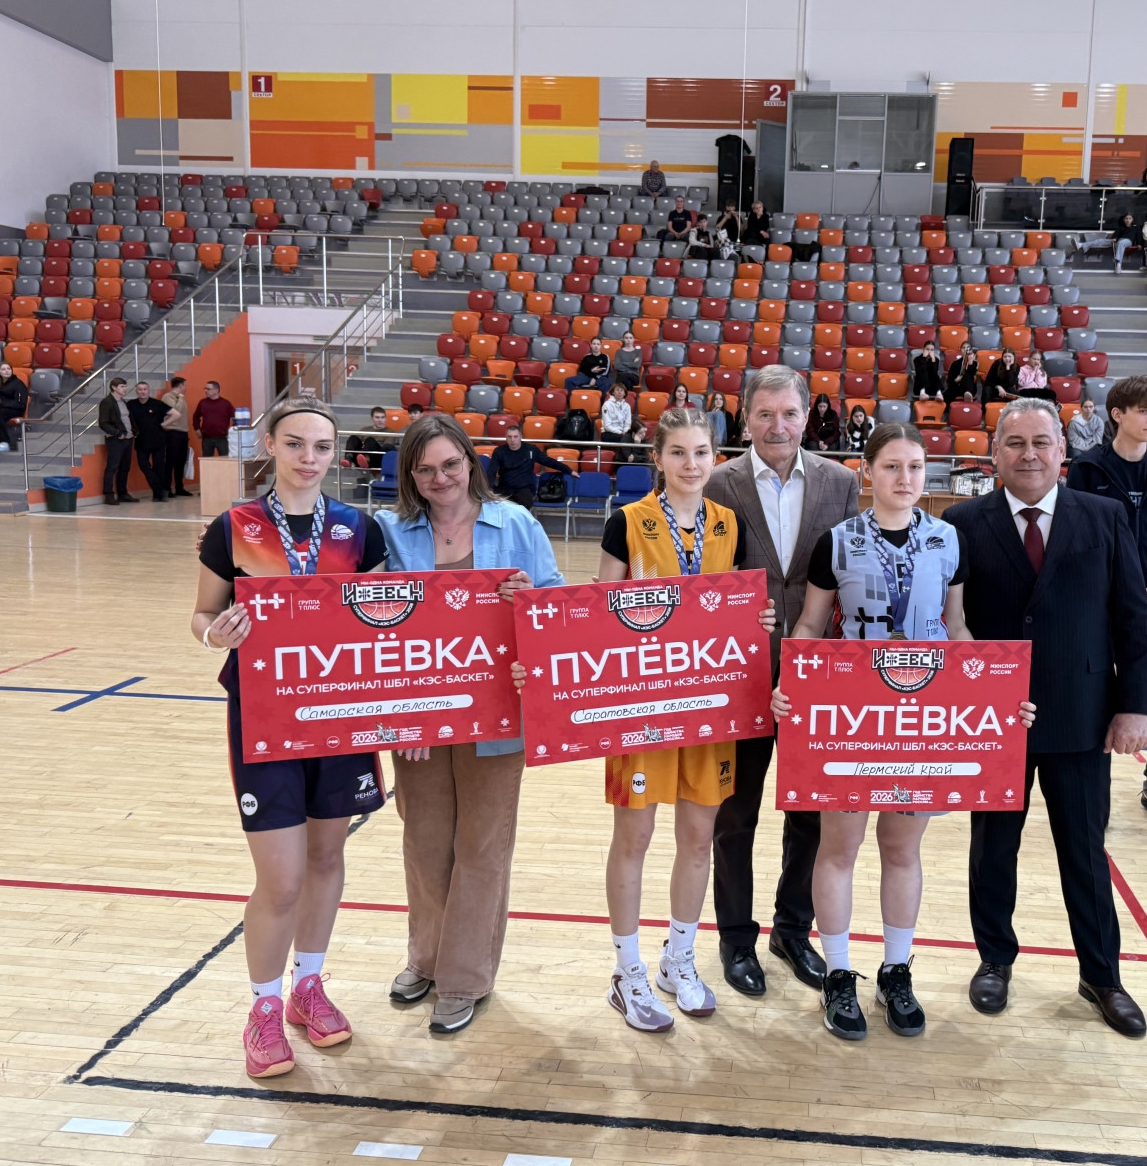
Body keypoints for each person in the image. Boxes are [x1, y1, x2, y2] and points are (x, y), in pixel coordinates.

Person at [770, 422, 1035, 1040]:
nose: (905, 478)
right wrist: (790, 680)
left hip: (919, 723)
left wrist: (996, 696)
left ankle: (896, 969)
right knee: (839, 849)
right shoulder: (836, 542)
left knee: (901, 849)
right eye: (891, 466)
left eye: (915, 467)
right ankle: (839, 973)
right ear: (868, 472)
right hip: (852, 720)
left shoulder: (948, 539)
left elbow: (957, 628)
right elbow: (810, 625)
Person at [190, 397, 390, 1079]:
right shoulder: (233, 527)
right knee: (280, 879)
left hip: (338, 713)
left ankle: (309, 986)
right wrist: (215, 634)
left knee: (327, 857)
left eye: (323, 446)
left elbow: (383, 624)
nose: (310, 457)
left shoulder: (359, 529)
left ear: (336, 453)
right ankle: (263, 1009)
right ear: (270, 444)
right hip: (265, 713)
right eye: (296, 443)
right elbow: (202, 613)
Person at [943, 399, 1147, 1036]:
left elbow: (1133, 619)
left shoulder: (1104, 516)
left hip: (1082, 715)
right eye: (1015, 443)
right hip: (992, 723)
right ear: (994, 455)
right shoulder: (961, 522)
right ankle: (994, 960)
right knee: (992, 849)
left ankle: (1102, 975)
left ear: (1063, 452)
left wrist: (1134, 707)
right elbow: (949, 623)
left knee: (1084, 853)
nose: (1029, 454)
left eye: (1041, 442)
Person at [377, 413, 565, 1033]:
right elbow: (355, 621)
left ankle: (465, 978)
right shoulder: (388, 531)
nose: (441, 479)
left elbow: (559, 608)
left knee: (482, 847)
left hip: (498, 716)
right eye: (425, 469)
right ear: (410, 475)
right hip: (418, 722)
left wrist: (530, 602)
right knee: (425, 843)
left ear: (470, 460)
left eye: (450, 464)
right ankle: (426, 959)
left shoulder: (517, 523)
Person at [597, 407, 777, 1032]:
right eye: (678, 452)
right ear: (658, 458)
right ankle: (627, 971)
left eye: (701, 452)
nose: (691, 464)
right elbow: (598, 615)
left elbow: (743, 609)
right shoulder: (626, 522)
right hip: (642, 710)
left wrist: (760, 620)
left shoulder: (729, 524)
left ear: (715, 457)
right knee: (635, 839)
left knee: (699, 839)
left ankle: (678, 959)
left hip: (709, 709)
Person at [706, 365, 861, 998]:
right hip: (739, 673)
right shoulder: (717, 482)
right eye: (765, 413)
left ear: (806, 416)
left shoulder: (841, 482)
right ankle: (736, 937)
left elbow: (849, 575)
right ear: (746, 418)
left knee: (809, 817)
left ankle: (793, 930)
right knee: (734, 814)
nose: (778, 425)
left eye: (789, 413)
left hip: (816, 677)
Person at [1068, 376, 1147, 829]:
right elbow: (1075, 536)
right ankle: (1089, 785)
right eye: (1143, 410)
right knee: (1093, 697)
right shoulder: (1088, 468)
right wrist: (1103, 588)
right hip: (1100, 606)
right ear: (1117, 414)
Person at [486, 427, 572, 508]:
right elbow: (491, 472)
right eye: (510, 437)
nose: (512, 440)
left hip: (523, 489)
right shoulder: (499, 451)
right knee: (493, 505)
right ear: (506, 438)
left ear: (520, 437)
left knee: (523, 505)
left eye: (515, 437)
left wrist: (569, 470)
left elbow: (549, 461)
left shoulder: (531, 449)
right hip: (504, 488)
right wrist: (488, 489)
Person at [128, 379, 172, 503]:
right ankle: (160, 490)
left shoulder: (157, 404)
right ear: (136, 391)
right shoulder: (131, 404)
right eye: (140, 390)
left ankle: (157, 495)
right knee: (144, 466)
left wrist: (164, 424)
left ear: (148, 390)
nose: (142, 392)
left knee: (159, 467)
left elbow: (175, 414)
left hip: (158, 440)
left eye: (145, 389)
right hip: (141, 441)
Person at [98, 377, 137, 506]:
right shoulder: (107, 402)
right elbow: (103, 422)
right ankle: (108, 494)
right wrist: (117, 433)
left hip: (128, 439)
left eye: (125, 386)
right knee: (112, 467)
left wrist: (134, 431)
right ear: (114, 387)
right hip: (116, 440)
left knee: (125, 467)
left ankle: (122, 493)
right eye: (122, 386)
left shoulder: (123, 402)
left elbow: (127, 419)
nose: (125, 389)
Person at [160, 376, 191, 496]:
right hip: (172, 433)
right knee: (170, 461)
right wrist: (180, 399)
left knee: (181, 461)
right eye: (185, 385)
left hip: (183, 432)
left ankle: (179, 487)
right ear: (180, 386)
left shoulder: (181, 398)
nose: (186, 388)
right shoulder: (168, 397)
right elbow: (174, 411)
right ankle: (167, 488)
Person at [193, 380, 237, 457]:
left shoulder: (225, 404)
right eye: (205, 388)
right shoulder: (203, 403)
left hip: (222, 438)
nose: (205, 391)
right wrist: (197, 429)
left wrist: (232, 432)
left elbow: (236, 418)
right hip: (207, 438)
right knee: (206, 461)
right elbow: (196, 416)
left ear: (216, 390)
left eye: (208, 389)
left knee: (225, 460)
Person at [600, 381, 634, 447]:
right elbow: (607, 426)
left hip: (623, 433)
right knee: (626, 440)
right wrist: (620, 433)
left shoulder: (627, 406)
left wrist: (625, 432)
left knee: (636, 437)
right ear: (613, 392)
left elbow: (628, 424)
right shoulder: (607, 405)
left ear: (624, 393)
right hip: (608, 433)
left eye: (622, 390)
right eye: (617, 390)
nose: (619, 392)